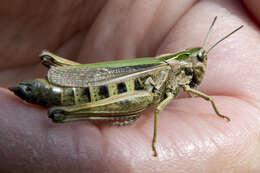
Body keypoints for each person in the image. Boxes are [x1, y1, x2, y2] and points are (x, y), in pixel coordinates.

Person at [0, 0, 259, 172]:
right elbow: (157, 109)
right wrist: (156, 143)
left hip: (118, 91)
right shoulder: (166, 69)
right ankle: (61, 104)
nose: (201, 65)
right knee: (151, 105)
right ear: (186, 62)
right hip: (95, 88)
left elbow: (200, 97)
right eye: (199, 60)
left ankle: (63, 109)